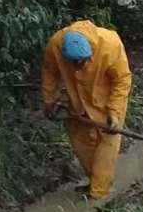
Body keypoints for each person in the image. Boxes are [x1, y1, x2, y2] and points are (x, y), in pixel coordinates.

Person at [41, 20, 132, 199]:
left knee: (107, 144)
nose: (79, 65)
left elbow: (122, 81)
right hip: (78, 102)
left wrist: (114, 112)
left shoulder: (110, 44)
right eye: (75, 62)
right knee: (80, 142)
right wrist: (49, 100)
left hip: (107, 101)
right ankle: (95, 181)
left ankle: (99, 193)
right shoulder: (55, 45)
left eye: (83, 61)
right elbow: (49, 72)